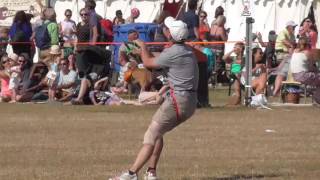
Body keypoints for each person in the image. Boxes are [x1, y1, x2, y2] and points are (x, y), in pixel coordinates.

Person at [109, 16, 198, 180]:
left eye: (167, 29)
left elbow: (149, 63)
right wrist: (144, 52)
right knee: (158, 133)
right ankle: (151, 172)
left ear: (171, 34)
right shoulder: (185, 50)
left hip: (177, 100)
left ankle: (131, 174)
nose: (164, 30)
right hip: (188, 102)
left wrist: (142, 46)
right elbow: (157, 59)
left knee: (150, 135)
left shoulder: (173, 52)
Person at [291, 37, 320, 104]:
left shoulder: (294, 51)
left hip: (295, 76)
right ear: (307, 45)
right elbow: (312, 67)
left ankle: (317, 97)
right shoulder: (307, 53)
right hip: (303, 76)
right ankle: (317, 98)